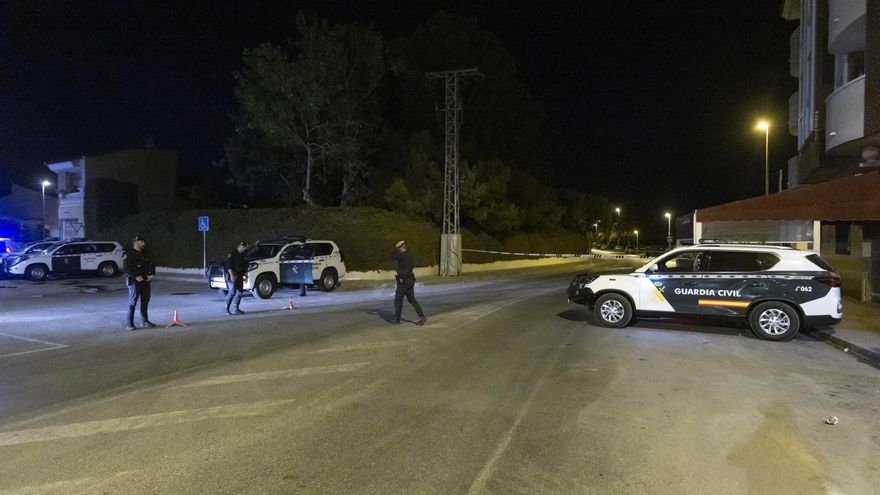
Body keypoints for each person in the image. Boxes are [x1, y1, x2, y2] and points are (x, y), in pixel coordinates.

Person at [123, 235, 156, 330]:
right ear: (136, 242)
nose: (144, 244)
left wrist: (152, 274)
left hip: (145, 280)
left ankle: (145, 321)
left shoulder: (145, 253)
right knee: (132, 302)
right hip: (134, 281)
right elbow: (126, 269)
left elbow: (151, 264)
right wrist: (135, 276)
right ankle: (130, 323)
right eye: (142, 242)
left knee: (145, 301)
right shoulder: (129, 254)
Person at [391, 240, 427, 326]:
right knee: (412, 299)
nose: (398, 249)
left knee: (398, 300)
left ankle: (397, 319)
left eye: (399, 248)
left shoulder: (402, 256)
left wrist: (396, 246)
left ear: (403, 247)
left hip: (403, 281)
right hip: (410, 280)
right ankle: (421, 316)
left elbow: (392, 256)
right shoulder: (409, 255)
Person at [225, 240, 250, 315]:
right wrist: (232, 275)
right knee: (232, 292)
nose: (244, 248)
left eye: (245, 247)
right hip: (233, 275)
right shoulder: (232, 254)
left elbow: (245, 266)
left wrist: (246, 276)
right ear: (239, 246)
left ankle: (236, 309)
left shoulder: (243, 255)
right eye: (243, 247)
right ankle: (227, 309)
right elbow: (229, 266)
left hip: (240, 275)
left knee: (239, 292)